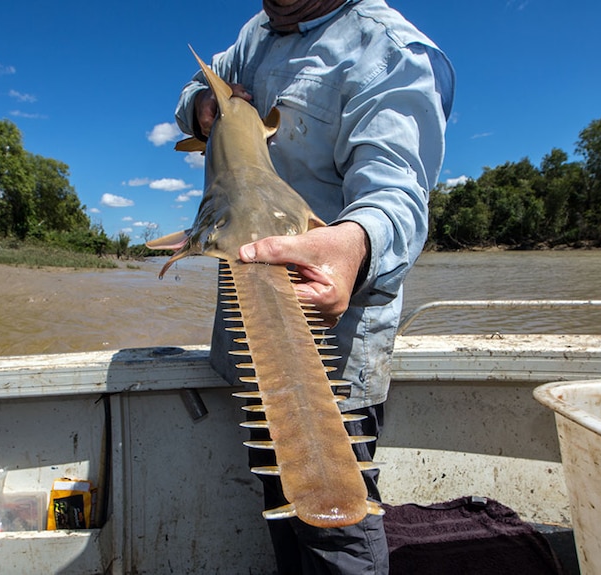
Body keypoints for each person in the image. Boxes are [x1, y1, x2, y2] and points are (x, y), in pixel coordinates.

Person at [175, 1, 454, 573]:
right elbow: (194, 90)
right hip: (251, 331)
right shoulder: (258, 33)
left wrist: (352, 246)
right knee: (281, 504)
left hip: (336, 334)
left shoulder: (388, 50)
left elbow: (398, 192)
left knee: (334, 525)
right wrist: (204, 106)